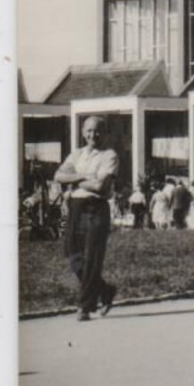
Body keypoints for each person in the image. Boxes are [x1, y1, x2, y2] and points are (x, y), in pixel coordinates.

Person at [54, 115, 120, 321]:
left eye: (98, 130)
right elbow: (58, 176)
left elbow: (101, 187)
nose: (93, 135)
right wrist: (83, 177)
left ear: (105, 133)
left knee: (92, 257)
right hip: (76, 207)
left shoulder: (109, 156)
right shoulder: (77, 154)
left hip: (95, 208)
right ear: (83, 133)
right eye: (89, 131)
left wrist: (73, 180)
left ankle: (85, 306)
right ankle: (104, 290)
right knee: (73, 254)